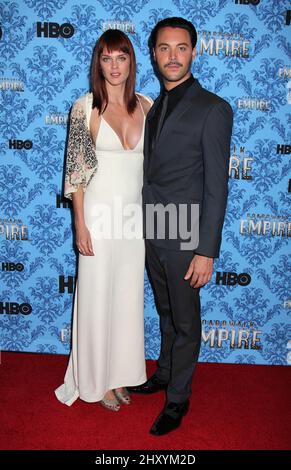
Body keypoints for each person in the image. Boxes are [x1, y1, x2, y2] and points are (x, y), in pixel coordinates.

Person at [129, 17, 233, 435]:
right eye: (165, 48)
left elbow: (216, 187)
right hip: (153, 230)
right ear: (154, 54)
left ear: (194, 51)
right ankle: (164, 374)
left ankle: (178, 400)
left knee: (187, 321)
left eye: (181, 47)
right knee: (167, 312)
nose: (173, 56)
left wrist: (206, 250)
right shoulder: (153, 107)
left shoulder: (213, 108)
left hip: (188, 236)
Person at [55, 29, 152, 411]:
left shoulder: (147, 104)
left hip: (133, 219)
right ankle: (95, 382)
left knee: (127, 299)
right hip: (96, 215)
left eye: (121, 57)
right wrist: (80, 224)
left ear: (131, 62)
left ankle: (118, 375)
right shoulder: (85, 107)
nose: (114, 66)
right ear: (99, 63)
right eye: (107, 58)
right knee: (96, 298)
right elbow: (76, 171)